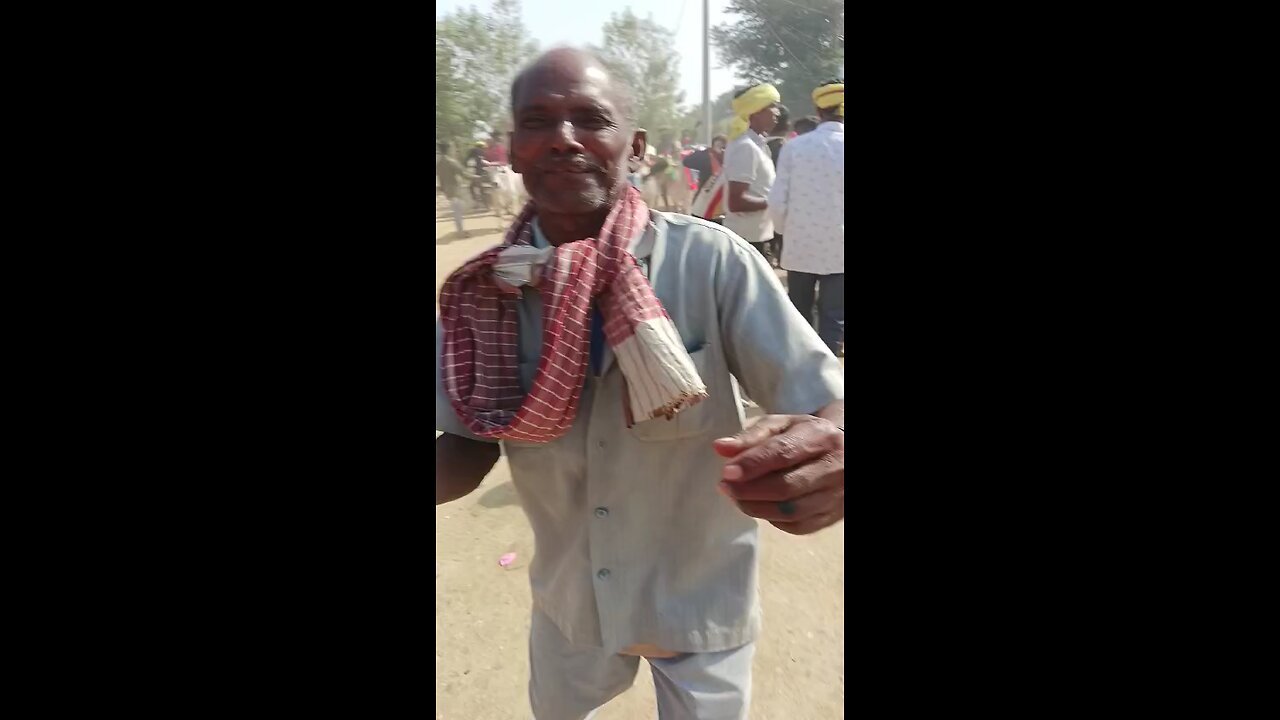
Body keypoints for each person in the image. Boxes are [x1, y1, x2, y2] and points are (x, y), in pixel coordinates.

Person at [436, 48, 844, 720]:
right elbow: (466, 444)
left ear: (639, 146)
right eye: (538, 121)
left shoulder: (712, 263)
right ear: (512, 150)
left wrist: (830, 442)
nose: (564, 139)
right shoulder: (487, 291)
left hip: (700, 597)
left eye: (590, 119)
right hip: (571, 606)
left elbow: (822, 399)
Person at [768, 79, 845, 357]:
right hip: (840, 248)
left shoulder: (795, 147)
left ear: (818, 109)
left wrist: (782, 233)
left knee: (799, 314)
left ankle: (803, 377)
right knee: (834, 316)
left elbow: (777, 201)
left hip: (800, 246)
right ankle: (829, 384)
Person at [722, 84, 780, 259]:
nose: (778, 112)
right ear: (756, 111)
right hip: (747, 244)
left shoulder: (758, 145)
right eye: (773, 106)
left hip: (756, 238)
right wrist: (776, 202)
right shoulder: (745, 147)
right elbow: (736, 202)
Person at [435, 141, 468, 237]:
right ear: (448, 149)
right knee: (458, 211)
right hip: (455, 189)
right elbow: (464, 174)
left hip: (447, 190)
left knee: (457, 210)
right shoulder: (451, 162)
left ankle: (460, 230)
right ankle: (460, 232)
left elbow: (440, 177)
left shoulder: (439, 162)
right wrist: (478, 177)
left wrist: (442, 187)